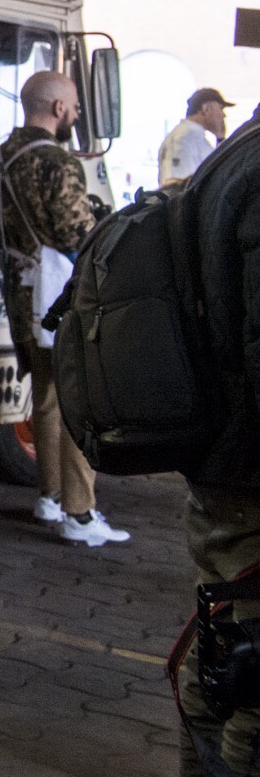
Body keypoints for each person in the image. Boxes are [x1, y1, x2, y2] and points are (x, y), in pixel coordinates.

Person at [0, 70, 129, 546]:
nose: (79, 113)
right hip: (61, 296)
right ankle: (80, 515)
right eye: (76, 105)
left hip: (19, 294)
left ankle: (48, 495)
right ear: (59, 108)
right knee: (80, 403)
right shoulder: (58, 163)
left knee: (44, 398)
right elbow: (78, 235)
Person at [180, 115, 260, 774]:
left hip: (219, 461)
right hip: (250, 473)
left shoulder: (230, 154)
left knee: (220, 661)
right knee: (251, 686)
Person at [163, 87, 234, 189]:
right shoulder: (184, 138)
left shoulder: (195, 138)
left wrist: (221, 139)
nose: (224, 115)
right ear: (206, 110)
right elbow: (174, 185)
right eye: (221, 108)